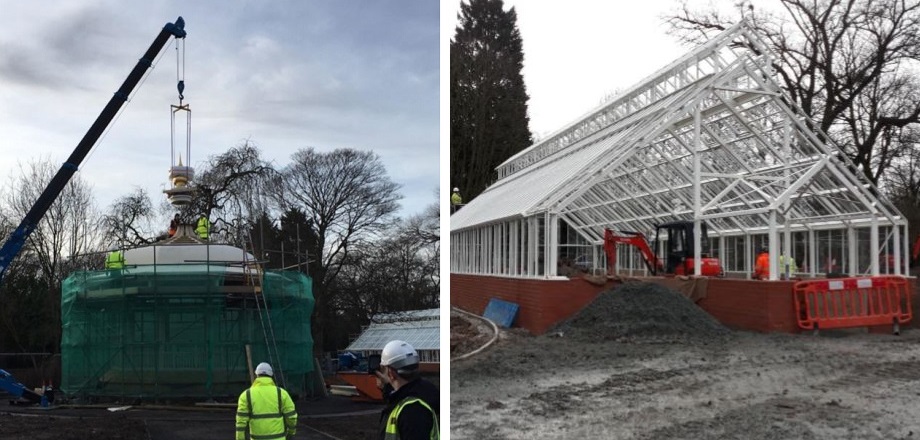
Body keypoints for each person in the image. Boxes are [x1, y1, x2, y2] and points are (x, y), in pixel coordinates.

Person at [375, 340, 439, 440]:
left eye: (384, 369)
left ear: (391, 373)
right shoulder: (424, 393)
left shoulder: (412, 411)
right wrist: (386, 387)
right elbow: (400, 395)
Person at [235, 362, 297, 440]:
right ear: (271, 375)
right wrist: (290, 433)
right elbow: (291, 417)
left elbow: (240, 422)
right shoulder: (281, 393)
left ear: (256, 375)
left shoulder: (246, 395)